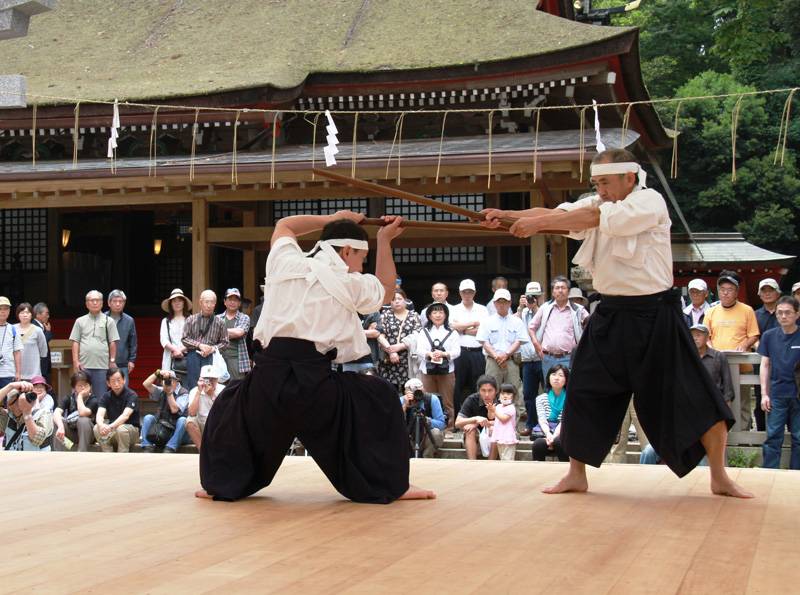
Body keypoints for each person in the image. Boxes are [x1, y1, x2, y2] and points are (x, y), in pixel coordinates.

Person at [483, 148, 751, 498]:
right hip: (610, 314)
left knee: (696, 396)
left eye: (606, 182)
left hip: (656, 316)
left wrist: (534, 225)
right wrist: (506, 214)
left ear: (630, 177)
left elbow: (588, 218)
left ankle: (719, 476)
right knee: (583, 392)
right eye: (596, 183)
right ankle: (576, 473)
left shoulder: (649, 202)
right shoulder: (596, 205)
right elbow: (556, 213)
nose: (601, 189)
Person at [199, 210, 434, 503]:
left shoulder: (284, 261)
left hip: (266, 383)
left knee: (231, 404)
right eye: (361, 258)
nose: (360, 266)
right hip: (314, 388)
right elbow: (387, 290)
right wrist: (385, 240)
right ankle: (392, 484)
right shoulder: (349, 284)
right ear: (347, 250)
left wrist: (332, 219)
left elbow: (285, 225)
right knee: (380, 397)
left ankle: (220, 483)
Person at [705, 270, 760, 431]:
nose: (725, 293)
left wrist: (744, 344)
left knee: (742, 402)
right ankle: (720, 435)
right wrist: (711, 348)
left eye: (729, 289)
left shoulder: (747, 310)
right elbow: (706, 336)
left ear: (736, 292)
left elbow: (754, 334)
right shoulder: (711, 312)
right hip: (717, 366)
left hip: (741, 365)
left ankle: (743, 435)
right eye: (722, 289)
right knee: (717, 401)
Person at [758, 296, 800, 469]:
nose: (783, 316)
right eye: (780, 312)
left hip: (798, 394)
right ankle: (769, 473)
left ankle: (796, 474)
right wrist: (764, 394)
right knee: (773, 436)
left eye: (788, 313)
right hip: (776, 393)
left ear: (797, 314)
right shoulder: (769, 336)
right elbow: (765, 365)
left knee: (799, 437)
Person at [477, 288, 529, 417]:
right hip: (492, 361)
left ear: (510, 303)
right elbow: (483, 341)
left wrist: (506, 354)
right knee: (490, 391)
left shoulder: (517, 321)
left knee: (514, 391)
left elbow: (520, 340)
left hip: (511, 361)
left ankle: (513, 426)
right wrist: (496, 355)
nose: (501, 304)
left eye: (504, 302)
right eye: (499, 302)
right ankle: (491, 423)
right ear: (494, 303)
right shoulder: (487, 321)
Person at [529, 276, 588, 386]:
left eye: (563, 288)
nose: (560, 290)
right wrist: (536, 344)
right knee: (549, 388)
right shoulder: (545, 308)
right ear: (552, 291)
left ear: (568, 291)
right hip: (548, 358)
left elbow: (590, 326)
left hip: (568, 358)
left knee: (568, 389)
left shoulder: (578, 309)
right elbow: (531, 327)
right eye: (557, 288)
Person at [416, 302, 461, 430]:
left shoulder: (452, 332)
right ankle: (428, 426)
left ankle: (449, 426)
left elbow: (457, 351)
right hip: (427, 370)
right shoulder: (424, 332)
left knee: (447, 400)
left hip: (447, 370)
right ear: (429, 316)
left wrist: (444, 354)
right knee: (428, 399)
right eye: (434, 312)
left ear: (446, 315)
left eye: (441, 312)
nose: (438, 315)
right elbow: (419, 349)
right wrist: (429, 354)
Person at [69, 290, 120, 399]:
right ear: (87, 303)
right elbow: (75, 342)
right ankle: (81, 416)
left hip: (102, 365)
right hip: (83, 365)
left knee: (100, 397)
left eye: (97, 300)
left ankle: (99, 416)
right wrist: (75, 361)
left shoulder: (109, 321)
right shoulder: (80, 321)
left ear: (102, 303)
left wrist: (112, 360)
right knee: (81, 395)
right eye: (92, 300)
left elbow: (112, 342)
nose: (95, 303)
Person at [450, 279, 489, 418]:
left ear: (474, 293)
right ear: (460, 293)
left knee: (477, 386)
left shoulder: (482, 309)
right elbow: (453, 327)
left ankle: (477, 417)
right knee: (456, 386)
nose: (467, 294)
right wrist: (472, 323)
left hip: (477, 352)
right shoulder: (453, 309)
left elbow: (483, 330)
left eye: (470, 292)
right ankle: (456, 418)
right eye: (465, 292)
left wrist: (463, 328)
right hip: (459, 352)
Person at [181, 290, 228, 392]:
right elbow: (184, 339)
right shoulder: (191, 319)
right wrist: (200, 345)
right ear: (200, 302)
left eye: (212, 302)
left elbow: (225, 342)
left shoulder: (220, 322)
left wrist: (213, 348)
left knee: (210, 386)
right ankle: (194, 406)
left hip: (211, 356)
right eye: (206, 302)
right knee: (193, 385)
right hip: (193, 355)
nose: (209, 305)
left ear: (215, 304)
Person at [377, 289, 421, 392]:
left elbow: (418, 335)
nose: (396, 301)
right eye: (393, 299)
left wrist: (401, 346)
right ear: (390, 302)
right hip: (388, 359)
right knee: (388, 392)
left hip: (408, 359)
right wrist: (391, 351)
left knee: (410, 392)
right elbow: (380, 335)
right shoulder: (385, 315)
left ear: (405, 300)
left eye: (399, 299)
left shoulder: (414, 316)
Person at [753, 278, 782, 431]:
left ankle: (790, 435)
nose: (767, 293)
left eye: (771, 290)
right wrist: (762, 348)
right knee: (760, 397)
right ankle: (761, 433)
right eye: (764, 290)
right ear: (759, 294)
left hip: (783, 363)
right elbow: (752, 336)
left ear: (778, 293)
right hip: (761, 363)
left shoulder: (785, 312)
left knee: (786, 399)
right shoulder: (755, 315)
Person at [140, 369, 190, 453]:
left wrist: (169, 393)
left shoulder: (184, 393)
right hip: (162, 430)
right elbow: (146, 384)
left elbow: (174, 410)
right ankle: (147, 445)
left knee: (183, 420)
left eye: (169, 380)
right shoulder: (162, 390)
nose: (166, 382)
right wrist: (157, 373)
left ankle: (170, 447)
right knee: (148, 417)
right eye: (164, 380)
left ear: (176, 381)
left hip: (177, 432)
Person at [517, 281, 544, 436]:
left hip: (542, 358)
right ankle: (531, 424)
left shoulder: (545, 311)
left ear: (540, 297)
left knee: (548, 393)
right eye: (529, 297)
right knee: (528, 394)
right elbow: (514, 324)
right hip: (527, 360)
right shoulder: (523, 313)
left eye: (535, 297)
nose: (532, 300)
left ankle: (549, 424)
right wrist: (521, 308)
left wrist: (535, 308)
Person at [93, 368, 140, 453]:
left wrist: (110, 427)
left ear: (124, 380)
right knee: (96, 428)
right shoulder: (106, 396)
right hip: (113, 430)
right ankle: (107, 453)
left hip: (131, 431)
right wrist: (101, 425)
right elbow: (99, 415)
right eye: (113, 381)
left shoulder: (132, 395)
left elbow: (125, 416)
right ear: (108, 383)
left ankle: (122, 454)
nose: (116, 384)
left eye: (119, 380)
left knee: (121, 429)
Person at [0, 379, 53, 451]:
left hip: (37, 461)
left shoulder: (43, 414)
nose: (8, 407)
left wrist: (27, 414)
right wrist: (10, 386)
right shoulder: (8, 416)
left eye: (10, 402)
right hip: (13, 461)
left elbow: (37, 440)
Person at [455, 375, 499, 460]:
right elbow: (457, 423)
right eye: (483, 390)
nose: (487, 394)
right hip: (477, 436)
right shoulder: (472, 399)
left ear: (496, 391)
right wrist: (475, 419)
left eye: (490, 391)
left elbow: (507, 423)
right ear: (478, 390)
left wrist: (478, 424)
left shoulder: (501, 401)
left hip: (496, 436)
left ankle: (491, 463)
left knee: (494, 430)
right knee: (469, 430)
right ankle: (472, 462)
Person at [53, 371, 98, 451]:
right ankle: (63, 450)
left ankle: (81, 452)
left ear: (90, 386)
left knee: (83, 420)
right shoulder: (68, 398)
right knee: (57, 421)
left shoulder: (93, 400)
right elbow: (56, 412)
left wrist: (80, 396)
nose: (83, 388)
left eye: (85, 385)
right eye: (80, 385)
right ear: (74, 388)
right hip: (73, 434)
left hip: (89, 436)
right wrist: (60, 427)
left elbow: (82, 413)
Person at [401, 378, 446, 458]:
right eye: (415, 391)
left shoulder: (432, 399)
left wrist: (427, 420)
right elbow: (395, 423)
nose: (418, 394)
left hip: (427, 435)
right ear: (406, 392)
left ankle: (427, 456)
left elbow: (442, 424)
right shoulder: (402, 400)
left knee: (436, 433)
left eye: (420, 390)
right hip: (409, 436)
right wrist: (405, 406)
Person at [532, 365, 569, 462]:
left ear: (566, 379)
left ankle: (567, 472)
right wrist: (548, 434)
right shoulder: (540, 398)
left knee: (559, 442)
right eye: (553, 374)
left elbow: (565, 420)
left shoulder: (571, 398)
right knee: (538, 444)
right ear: (548, 378)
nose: (556, 378)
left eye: (561, 375)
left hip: (564, 431)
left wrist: (554, 436)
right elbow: (542, 419)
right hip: (546, 431)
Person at [185, 364, 225, 450]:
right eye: (207, 379)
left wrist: (212, 396)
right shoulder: (195, 391)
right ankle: (202, 451)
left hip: (218, 425)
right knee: (189, 421)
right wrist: (199, 392)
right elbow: (191, 413)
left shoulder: (223, 390)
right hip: (202, 425)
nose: (209, 382)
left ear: (217, 379)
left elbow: (225, 412)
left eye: (212, 379)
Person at [217, 288, 251, 381]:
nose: (232, 302)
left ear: (239, 303)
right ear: (225, 302)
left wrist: (219, 332)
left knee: (237, 389)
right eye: (230, 299)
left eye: (236, 300)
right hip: (219, 358)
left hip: (237, 360)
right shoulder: (217, 318)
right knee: (219, 388)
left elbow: (239, 332)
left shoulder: (244, 318)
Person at [106, 289, 138, 386]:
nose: (118, 304)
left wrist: (132, 360)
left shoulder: (129, 320)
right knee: (102, 392)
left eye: (121, 301)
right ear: (109, 303)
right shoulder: (102, 318)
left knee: (122, 392)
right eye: (115, 301)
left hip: (122, 363)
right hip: (102, 362)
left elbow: (133, 342)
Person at [160, 288, 191, 385]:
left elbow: (194, 339)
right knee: (170, 386)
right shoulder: (165, 321)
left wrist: (180, 350)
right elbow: (163, 340)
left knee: (187, 387)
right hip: (170, 357)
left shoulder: (190, 319)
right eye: (174, 301)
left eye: (180, 300)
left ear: (184, 303)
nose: (177, 303)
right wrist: (175, 350)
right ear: (170, 304)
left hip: (187, 356)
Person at [13, 302, 48, 380]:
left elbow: (43, 352)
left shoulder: (38, 330)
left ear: (32, 314)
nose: (25, 315)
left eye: (27, 312)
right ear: (18, 314)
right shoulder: (12, 329)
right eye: (22, 313)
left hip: (34, 374)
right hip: (15, 374)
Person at [491, 383, 519, 461]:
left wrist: (494, 410)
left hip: (508, 438)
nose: (505, 396)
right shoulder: (498, 406)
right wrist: (490, 410)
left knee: (507, 460)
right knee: (502, 458)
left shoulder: (511, 408)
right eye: (503, 393)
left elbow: (503, 419)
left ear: (513, 396)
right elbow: (491, 417)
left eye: (508, 393)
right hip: (499, 437)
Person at [0, 296, 23, 389]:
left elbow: (17, 352)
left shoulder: (13, 329)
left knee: (8, 402)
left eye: (6, 309)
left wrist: (18, 372)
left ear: (9, 311)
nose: (3, 311)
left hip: (8, 373)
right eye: (0, 309)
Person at [32, 302, 53, 383]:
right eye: (46, 313)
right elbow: (41, 342)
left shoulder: (42, 325)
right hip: (39, 364)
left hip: (44, 364)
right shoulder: (33, 326)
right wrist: (48, 332)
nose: (48, 316)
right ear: (38, 314)